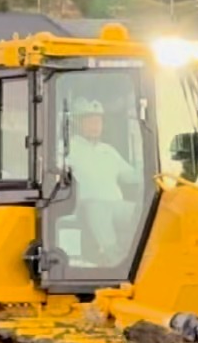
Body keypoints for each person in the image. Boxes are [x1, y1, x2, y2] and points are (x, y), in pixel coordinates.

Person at [60, 94, 142, 266]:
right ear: (77, 123)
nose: (95, 125)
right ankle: (115, 260)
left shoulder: (108, 151)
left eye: (98, 121)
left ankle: (142, 256)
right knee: (97, 208)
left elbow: (132, 176)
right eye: (90, 120)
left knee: (144, 210)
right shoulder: (67, 148)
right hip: (85, 207)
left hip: (116, 206)